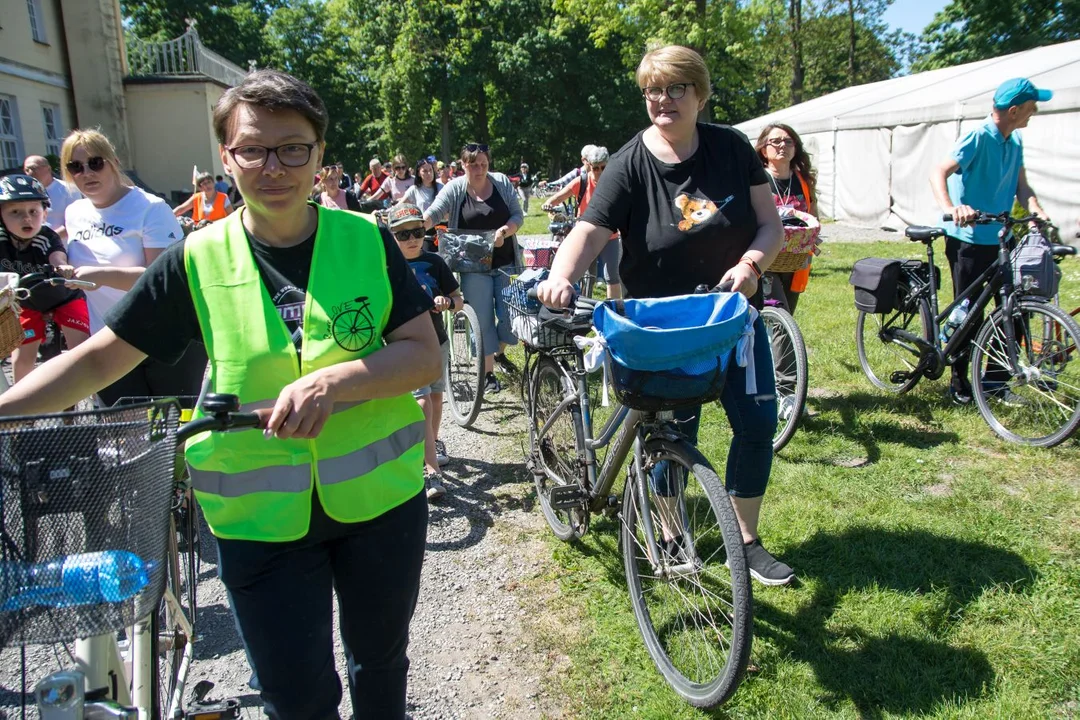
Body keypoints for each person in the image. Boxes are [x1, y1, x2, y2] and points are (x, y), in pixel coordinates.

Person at [0, 69, 440, 720]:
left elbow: (422, 354)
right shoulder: (196, 258)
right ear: (227, 157)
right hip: (258, 524)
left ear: (319, 154)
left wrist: (335, 381)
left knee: (380, 665)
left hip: (381, 507)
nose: (275, 166)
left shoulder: (366, 241)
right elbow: (97, 361)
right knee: (297, 695)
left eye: (294, 147)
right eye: (254, 149)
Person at [537, 45, 791, 586]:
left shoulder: (732, 148)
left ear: (699, 93)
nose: (663, 100)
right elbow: (590, 229)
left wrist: (751, 263)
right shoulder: (630, 163)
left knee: (757, 423)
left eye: (676, 88)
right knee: (673, 433)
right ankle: (672, 531)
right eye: (653, 90)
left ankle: (744, 540)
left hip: (731, 318)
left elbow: (771, 225)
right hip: (663, 325)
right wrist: (560, 275)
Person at [60, 129, 208, 407]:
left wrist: (98, 276)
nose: (87, 173)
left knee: (173, 429)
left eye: (95, 163)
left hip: (165, 335)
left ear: (113, 161)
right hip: (109, 338)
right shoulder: (75, 213)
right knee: (125, 429)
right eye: (75, 167)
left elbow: (163, 280)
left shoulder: (150, 208)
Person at [930, 77, 1052, 406]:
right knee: (970, 313)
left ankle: (995, 381)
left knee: (1016, 308)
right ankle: (959, 382)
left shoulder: (1014, 141)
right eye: (1030, 107)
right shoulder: (978, 136)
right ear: (1013, 110)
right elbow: (938, 171)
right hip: (969, 239)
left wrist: (1035, 209)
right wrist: (951, 208)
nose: (1034, 112)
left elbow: (1021, 186)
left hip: (1003, 237)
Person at [423, 143, 523, 393]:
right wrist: (417, 225)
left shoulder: (500, 182)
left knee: (511, 320)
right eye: (473, 164)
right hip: (472, 265)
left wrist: (504, 231)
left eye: (483, 164)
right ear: (463, 165)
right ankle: (487, 373)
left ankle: (497, 353)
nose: (479, 169)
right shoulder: (455, 188)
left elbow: (517, 216)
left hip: (505, 262)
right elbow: (436, 212)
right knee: (482, 320)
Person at [388, 203, 460, 497]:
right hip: (405, 346)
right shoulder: (386, 267)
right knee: (422, 402)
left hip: (437, 340)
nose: (411, 239)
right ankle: (432, 471)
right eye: (403, 234)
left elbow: (459, 299)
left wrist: (447, 302)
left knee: (436, 396)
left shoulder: (435, 263)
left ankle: (431, 441)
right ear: (391, 236)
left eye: (417, 231)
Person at [0, 174, 89, 382]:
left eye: (34, 211)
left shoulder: (47, 236)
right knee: (21, 355)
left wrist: (62, 266)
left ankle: (90, 391)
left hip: (64, 296)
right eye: (15, 212)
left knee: (81, 346)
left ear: (45, 213)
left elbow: (57, 256)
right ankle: (23, 408)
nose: (27, 218)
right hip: (26, 300)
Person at [541, 145, 622, 299]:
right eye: (595, 168)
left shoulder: (614, 181)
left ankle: (615, 309)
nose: (599, 172)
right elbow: (559, 196)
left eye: (603, 168)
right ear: (589, 166)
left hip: (609, 235)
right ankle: (581, 308)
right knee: (581, 275)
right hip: (585, 235)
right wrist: (549, 203)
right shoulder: (582, 181)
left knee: (612, 277)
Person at [754, 123, 818, 314]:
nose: (782, 145)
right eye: (775, 141)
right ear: (764, 150)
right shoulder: (756, 179)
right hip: (766, 257)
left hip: (795, 260)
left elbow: (812, 214)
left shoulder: (803, 180)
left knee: (788, 313)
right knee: (779, 312)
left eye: (788, 141)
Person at [23, 154, 82, 241]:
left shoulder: (69, 190)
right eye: (27, 170)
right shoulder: (25, 193)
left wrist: (49, 238)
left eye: (34, 168)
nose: (30, 172)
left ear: (48, 168)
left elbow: (76, 222)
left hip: (63, 247)